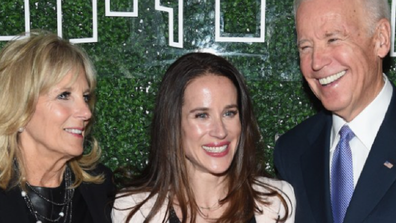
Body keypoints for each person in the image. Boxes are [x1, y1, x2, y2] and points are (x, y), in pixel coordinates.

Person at [112, 52, 296, 223]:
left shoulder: (277, 201)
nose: (220, 131)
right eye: (202, 115)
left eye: (229, 113)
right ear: (173, 123)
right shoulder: (135, 210)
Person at [273, 0, 395, 222]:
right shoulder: (291, 152)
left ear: (381, 39)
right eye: (305, 47)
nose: (316, 62)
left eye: (333, 39)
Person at [0, 30, 116, 223]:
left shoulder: (101, 186)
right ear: (19, 107)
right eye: (64, 95)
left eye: (85, 97)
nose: (86, 112)